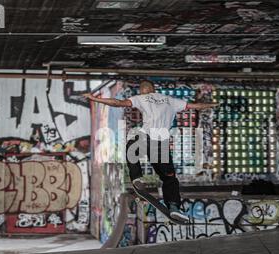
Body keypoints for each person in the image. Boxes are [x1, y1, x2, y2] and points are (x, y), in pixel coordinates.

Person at [84, 80, 218, 222]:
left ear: (142, 90)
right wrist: (212, 104)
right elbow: (196, 106)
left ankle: (137, 177)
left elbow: (117, 103)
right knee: (169, 178)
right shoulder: (170, 100)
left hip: (146, 138)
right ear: (153, 89)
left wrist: (94, 98)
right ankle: (174, 207)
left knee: (131, 146)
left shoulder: (141, 98)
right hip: (162, 144)